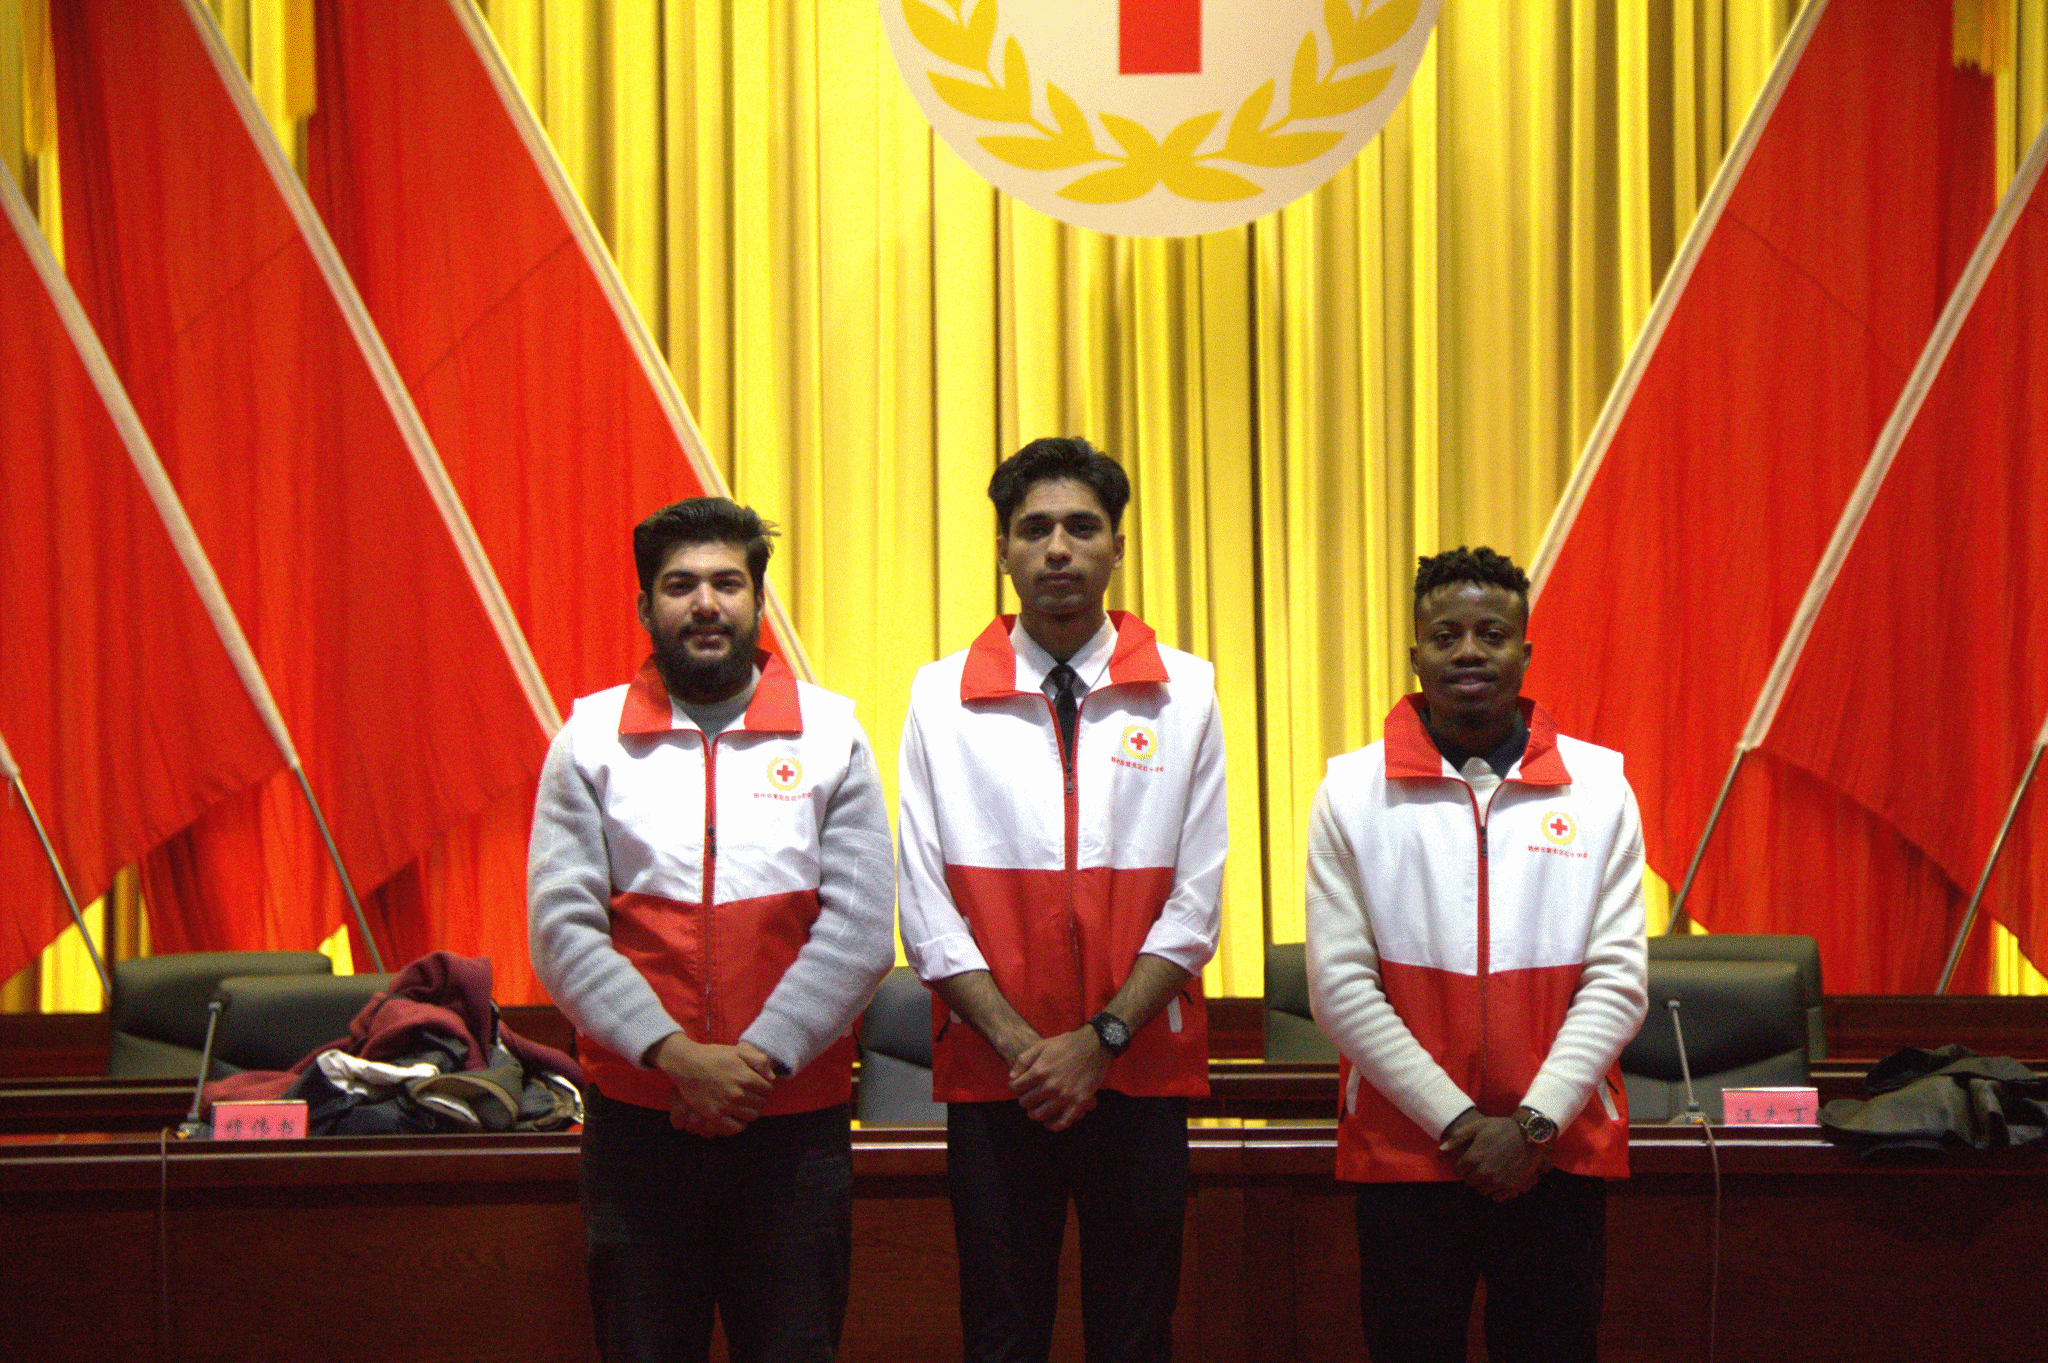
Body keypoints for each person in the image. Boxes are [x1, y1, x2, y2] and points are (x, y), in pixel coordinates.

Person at [529, 497, 895, 1363]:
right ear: (644, 606)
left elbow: (860, 929)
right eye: (680, 584)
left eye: (727, 583)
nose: (705, 603)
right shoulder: (588, 740)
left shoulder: (832, 734)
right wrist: (677, 1058)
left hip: (792, 1124)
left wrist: (751, 1063)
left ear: (758, 602)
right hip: (638, 1126)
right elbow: (562, 930)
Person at [897, 437, 1227, 1363]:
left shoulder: (1188, 690)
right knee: (1002, 1334)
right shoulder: (938, 696)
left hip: (1139, 1069)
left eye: (1081, 527)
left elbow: (1197, 902)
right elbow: (924, 906)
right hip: (998, 1077)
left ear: (1117, 545)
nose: (1056, 549)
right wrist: (1025, 1049)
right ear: (1002, 547)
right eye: (1033, 528)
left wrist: (1100, 1041)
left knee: (1136, 1334)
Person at [1305, 545, 1648, 1363]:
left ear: (1524, 653)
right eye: (1445, 635)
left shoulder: (1601, 787)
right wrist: (1462, 1125)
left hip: (1556, 1156)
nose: (1468, 652)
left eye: (1491, 634)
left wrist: (1531, 1125)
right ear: (1414, 653)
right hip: (1408, 1158)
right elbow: (1341, 988)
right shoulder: (1350, 791)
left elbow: (1618, 981)